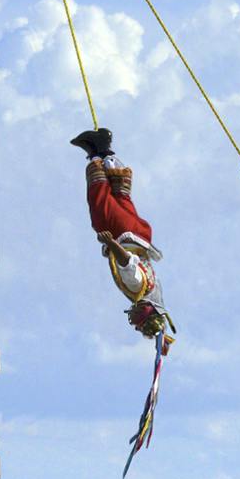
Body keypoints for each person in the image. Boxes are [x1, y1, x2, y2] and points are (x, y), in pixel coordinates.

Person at [76, 129, 171, 339]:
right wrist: (111, 244)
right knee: (100, 207)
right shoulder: (138, 289)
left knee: (121, 196)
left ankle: (102, 151)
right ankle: (97, 155)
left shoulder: (154, 294)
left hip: (141, 234)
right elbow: (128, 264)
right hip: (123, 236)